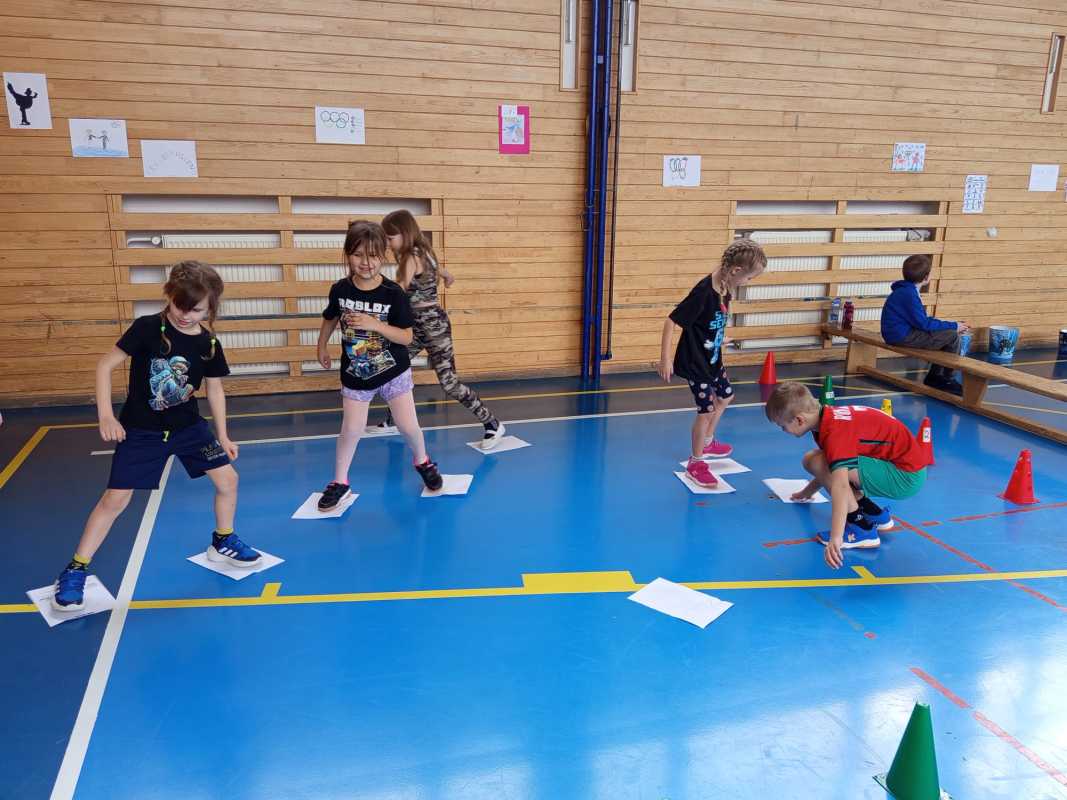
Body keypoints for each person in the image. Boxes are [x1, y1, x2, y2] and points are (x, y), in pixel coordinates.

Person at [52, 262, 260, 611]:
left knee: (228, 480)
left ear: (211, 309)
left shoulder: (209, 343)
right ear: (169, 296)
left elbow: (215, 390)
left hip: (189, 428)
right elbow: (105, 366)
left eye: (197, 310)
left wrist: (223, 436)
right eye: (180, 306)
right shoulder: (148, 328)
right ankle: (75, 569)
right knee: (115, 500)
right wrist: (106, 415)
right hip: (142, 431)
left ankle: (222, 540)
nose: (186, 315)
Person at [316, 220, 443, 512]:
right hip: (356, 373)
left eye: (373, 255)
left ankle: (422, 461)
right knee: (351, 430)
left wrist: (375, 324)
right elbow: (330, 317)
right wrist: (321, 345)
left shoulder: (393, 293)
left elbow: (406, 336)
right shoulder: (340, 290)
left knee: (408, 426)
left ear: (383, 256)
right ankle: (340, 481)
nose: (366, 262)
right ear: (348, 254)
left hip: (393, 372)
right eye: (358, 255)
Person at [365, 210, 506, 450]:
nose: (388, 243)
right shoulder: (425, 251)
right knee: (391, 366)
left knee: (449, 383)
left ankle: (492, 423)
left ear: (405, 233)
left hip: (433, 329)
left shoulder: (410, 257)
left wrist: (371, 298)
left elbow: (399, 290)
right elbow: (442, 272)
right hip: (419, 326)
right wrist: (447, 277)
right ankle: (393, 419)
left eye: (390, 238)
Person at [765, 382, 928, 569]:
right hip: (904, 467)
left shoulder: (834, 433)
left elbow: (840, 485)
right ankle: (873, 514)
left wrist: (836, 537)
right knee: (815, 459)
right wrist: (807, 492)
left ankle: (861, 529)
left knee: (815, 461)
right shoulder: (829, 417)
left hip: (905, 477)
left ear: (800, 420)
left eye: (783, 426)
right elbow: (829, 466)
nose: (783, 431)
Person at [658, 238, 767, 487]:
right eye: (749, 278)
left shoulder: (726, 287)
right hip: (696, 363)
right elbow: (671, 322)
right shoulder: (704, 292)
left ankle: (707, 441)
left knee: (726, 396)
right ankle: (696, 462)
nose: (748, 282)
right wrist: (665, 360)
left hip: (712, 357)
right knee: (706, 411)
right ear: (736, 270)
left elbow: (709, 321)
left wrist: (718, 338)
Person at [880, 254, 969, 395]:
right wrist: (954, 326)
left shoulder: (905, 290)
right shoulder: (909, 294)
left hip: (898, 333)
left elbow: (920, 321)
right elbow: (923, 323)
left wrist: (948, 327)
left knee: (944, 335)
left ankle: (936, 376)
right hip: (901, 336)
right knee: (952, 336)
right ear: (926, 277)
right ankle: (946, 378)